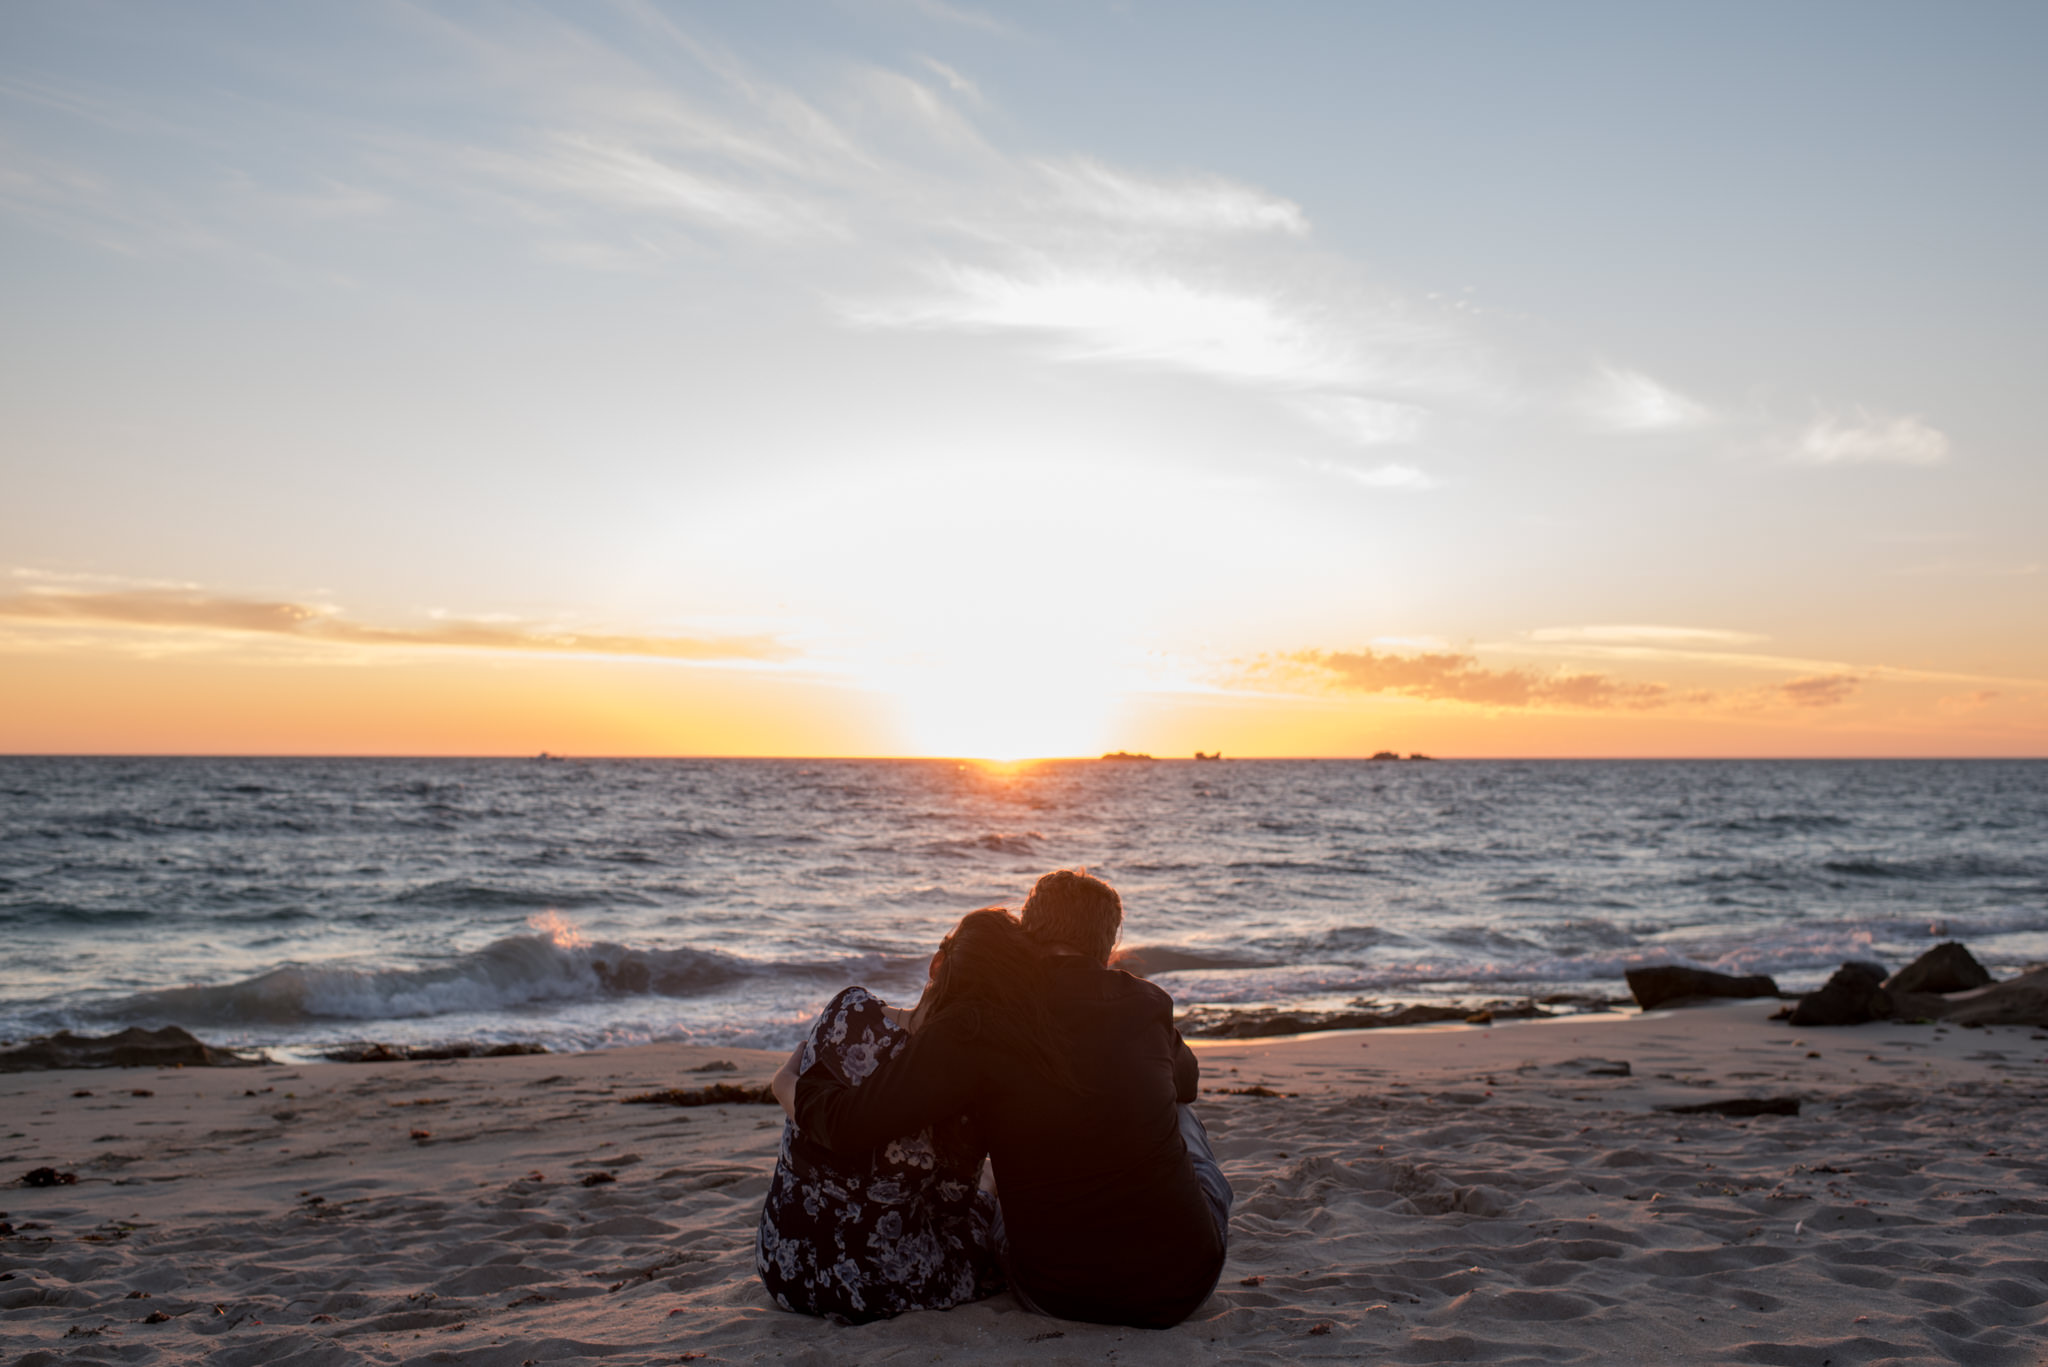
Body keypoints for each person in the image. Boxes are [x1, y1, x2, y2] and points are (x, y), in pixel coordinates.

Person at [777, 871, 1230, 1329]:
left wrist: (792, 1084)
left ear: (1028, 932)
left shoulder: (982, 1019)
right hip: (1183, 1286)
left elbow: (848, 1125)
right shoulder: (1146, 1002)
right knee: (1177, 1111)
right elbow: (1187, 1082)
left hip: (1054, 1294)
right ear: (1107, 947)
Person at [754, 925, 1007, 1323]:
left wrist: (783, 1084)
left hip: (782, 1262)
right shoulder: (962, 1089)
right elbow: (948, 1210)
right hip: (874, 1286)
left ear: (936, 964)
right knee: (985, 1210)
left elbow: (818, 1110)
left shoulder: (848, 1008)